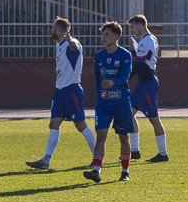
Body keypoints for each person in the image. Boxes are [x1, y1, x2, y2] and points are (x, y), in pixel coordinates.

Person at [25, 17, 98, 170]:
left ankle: (97, 158)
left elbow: (74, 47)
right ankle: (45, 160)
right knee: (54, 123)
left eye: (53, 27)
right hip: (59, 91)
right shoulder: (58, 45)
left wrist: (70, 40)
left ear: (59, 30)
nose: (51, 30)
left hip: (71, 89)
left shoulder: (73, 43)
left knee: (80, 125)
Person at [83, 22, 136, 183]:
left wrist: (114, 82)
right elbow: (97, 79)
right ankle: (96, 170)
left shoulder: (125, 55)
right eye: (103, 34)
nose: (103, 37)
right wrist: (100, 94)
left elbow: (125, 76)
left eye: (106, 34)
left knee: (123, 137)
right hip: (104, 103)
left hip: (121, 102)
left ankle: (125, 171)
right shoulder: (99, 56)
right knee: (101, 135)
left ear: (116, 36)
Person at [127, 14, 169, 162]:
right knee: (129, 114)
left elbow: (139, 65)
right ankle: (135, 151)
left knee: (154, 118)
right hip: (143, 84)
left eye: (133, 27)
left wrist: (124, 79)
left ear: (140, 25)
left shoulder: (147, 41)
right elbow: (141, 61)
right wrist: (134, 50)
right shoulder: (149, 40)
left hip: (148, 84)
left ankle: (163, 154)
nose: (133, 31)